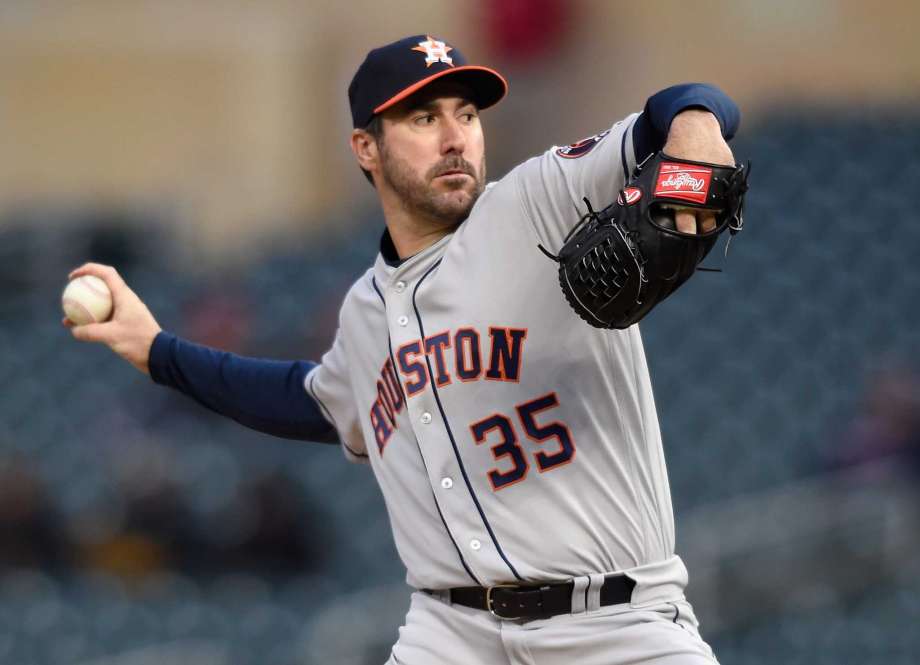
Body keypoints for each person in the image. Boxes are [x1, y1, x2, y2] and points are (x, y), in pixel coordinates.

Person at [68, 34, 740, 665]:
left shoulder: (537, 200)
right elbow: (307, 402)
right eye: (423, 119)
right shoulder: (366, 309)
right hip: (452, 634)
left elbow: (684, 104)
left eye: (466, 114)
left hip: (615, 623)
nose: (455, 138)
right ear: (366, 147)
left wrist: (697, 129)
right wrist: (154, 349)